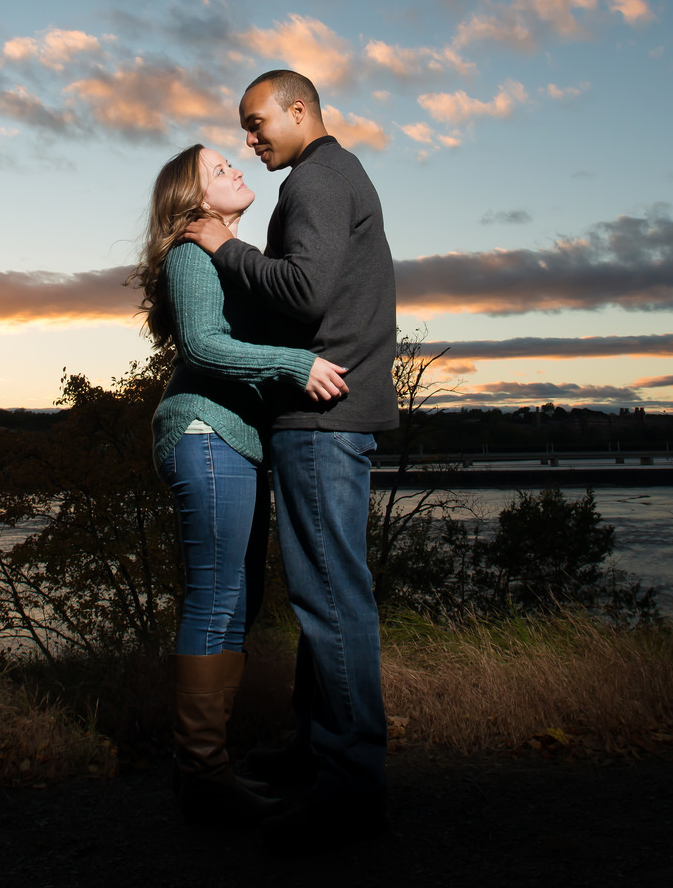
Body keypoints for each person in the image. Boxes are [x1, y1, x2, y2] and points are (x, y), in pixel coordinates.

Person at [181, 68, 399, 851]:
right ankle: (316, 747)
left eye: (256, 122)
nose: (249, 139)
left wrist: (224, 246)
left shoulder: (316, 180)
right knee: (326, 594)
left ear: (298, 109)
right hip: (330, 416)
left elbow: (304, 292)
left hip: (321, 418)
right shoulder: (334, 175)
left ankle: (350, 783)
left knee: (332, 596)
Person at [132, 142, 351, 826]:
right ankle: (201, 772)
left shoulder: (223, 253)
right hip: (205, 433)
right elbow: (202, 345)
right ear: (192, 199)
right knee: (216, 599)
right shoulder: (190, 254)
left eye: (232, 160)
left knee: (239, 600)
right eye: (218, 167)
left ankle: (210, 768)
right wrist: (296, 364)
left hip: (233, 441)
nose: (235, 168)